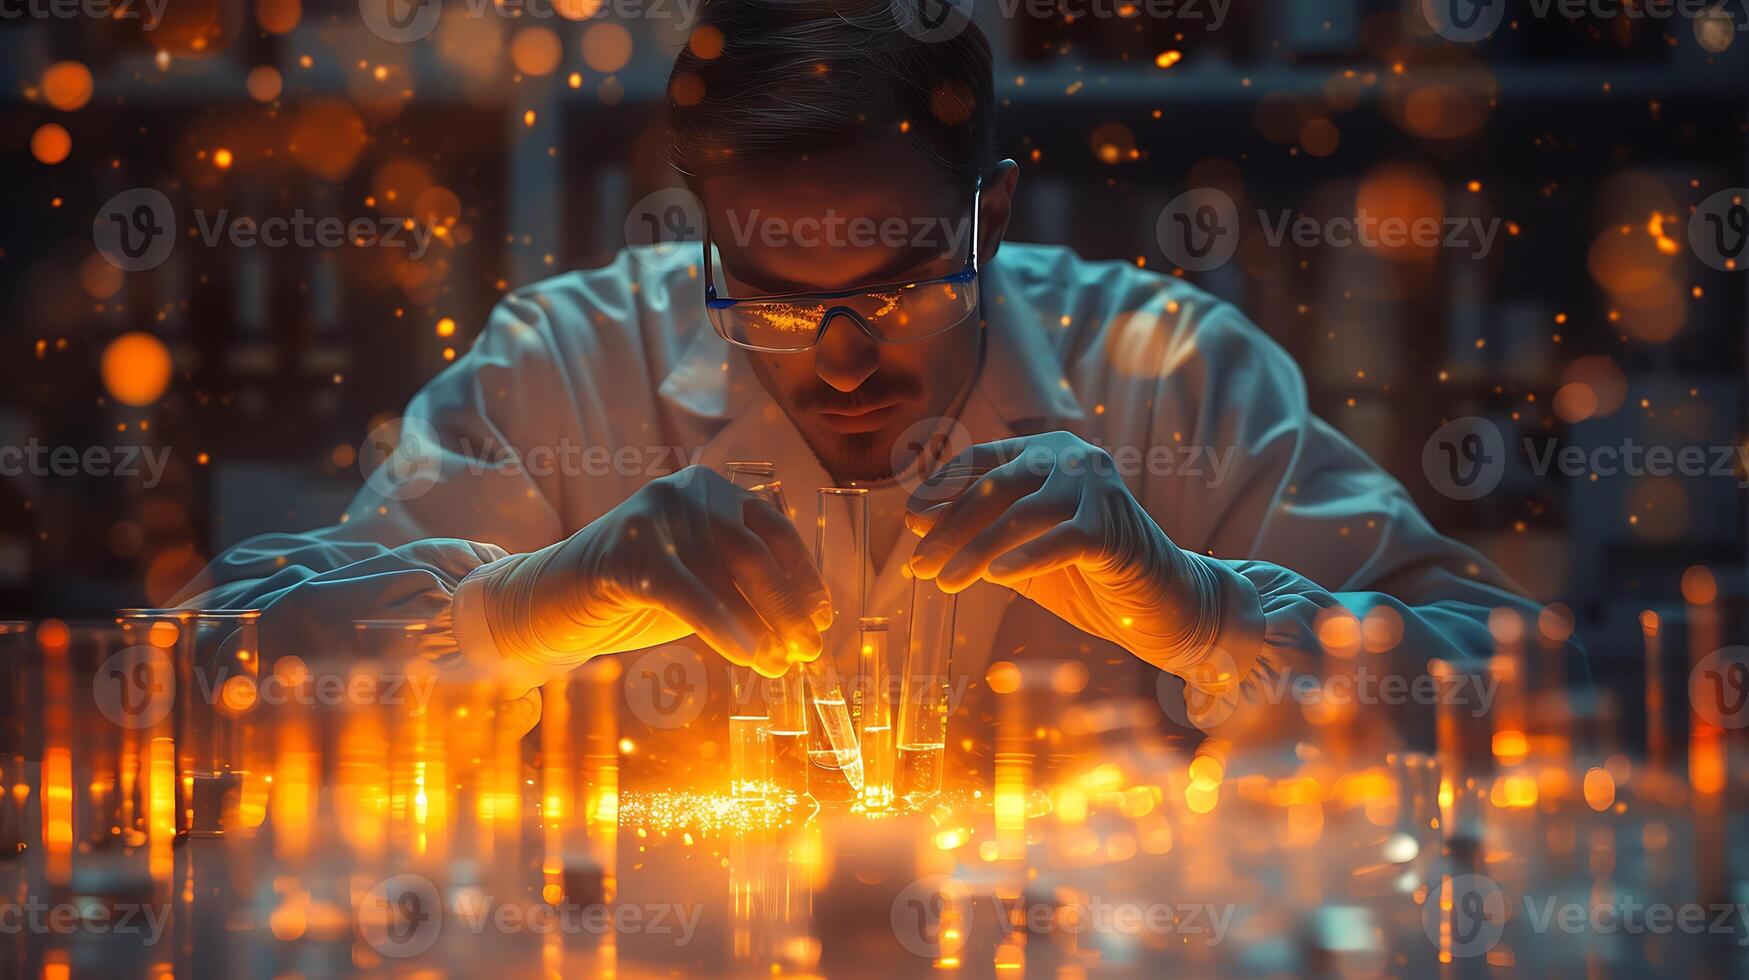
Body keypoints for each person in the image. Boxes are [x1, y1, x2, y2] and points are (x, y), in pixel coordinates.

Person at [179, 0, 1581, 749]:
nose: (842, 361)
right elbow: (191, 691)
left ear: (991, 217)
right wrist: (522, 609)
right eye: (776, 301)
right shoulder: (568, 366)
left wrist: (1207, 612)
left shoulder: (1168, 373)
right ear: (704, 238)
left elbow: (1537, 700)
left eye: (900, 287)